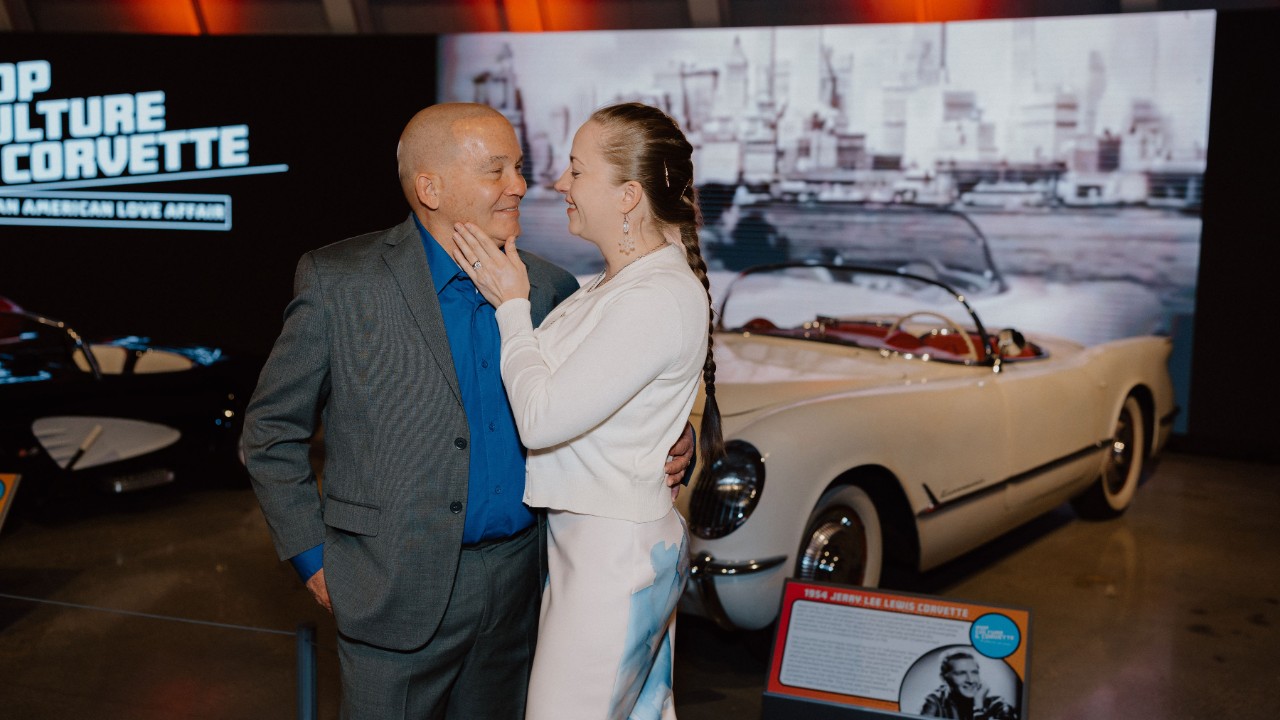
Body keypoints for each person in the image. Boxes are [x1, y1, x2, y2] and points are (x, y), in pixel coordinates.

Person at [242, 102, 694, 720]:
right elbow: (270, 432)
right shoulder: (341, 283)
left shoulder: (550, 287)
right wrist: (315, 560)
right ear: (430, 188)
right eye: (496, 170)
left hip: (523, 589)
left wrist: (670, 432)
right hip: (389, 591)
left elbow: (616, 384)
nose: (521, 185)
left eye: (520, 167)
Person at [449, 102, 725, 720]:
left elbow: (542, 419)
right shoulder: (611, 285)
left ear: (628, 196)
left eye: (576, 170)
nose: (557, 183)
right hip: (597, 549)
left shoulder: (655, 296)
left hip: (612, 558)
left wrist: (512, 305)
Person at [919, 651, 1019, 720]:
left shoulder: (997, 705)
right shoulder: (933, 702)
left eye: (974, 672)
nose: (970, 680)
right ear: (943, 678)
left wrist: (978, 705)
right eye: (961, 673)